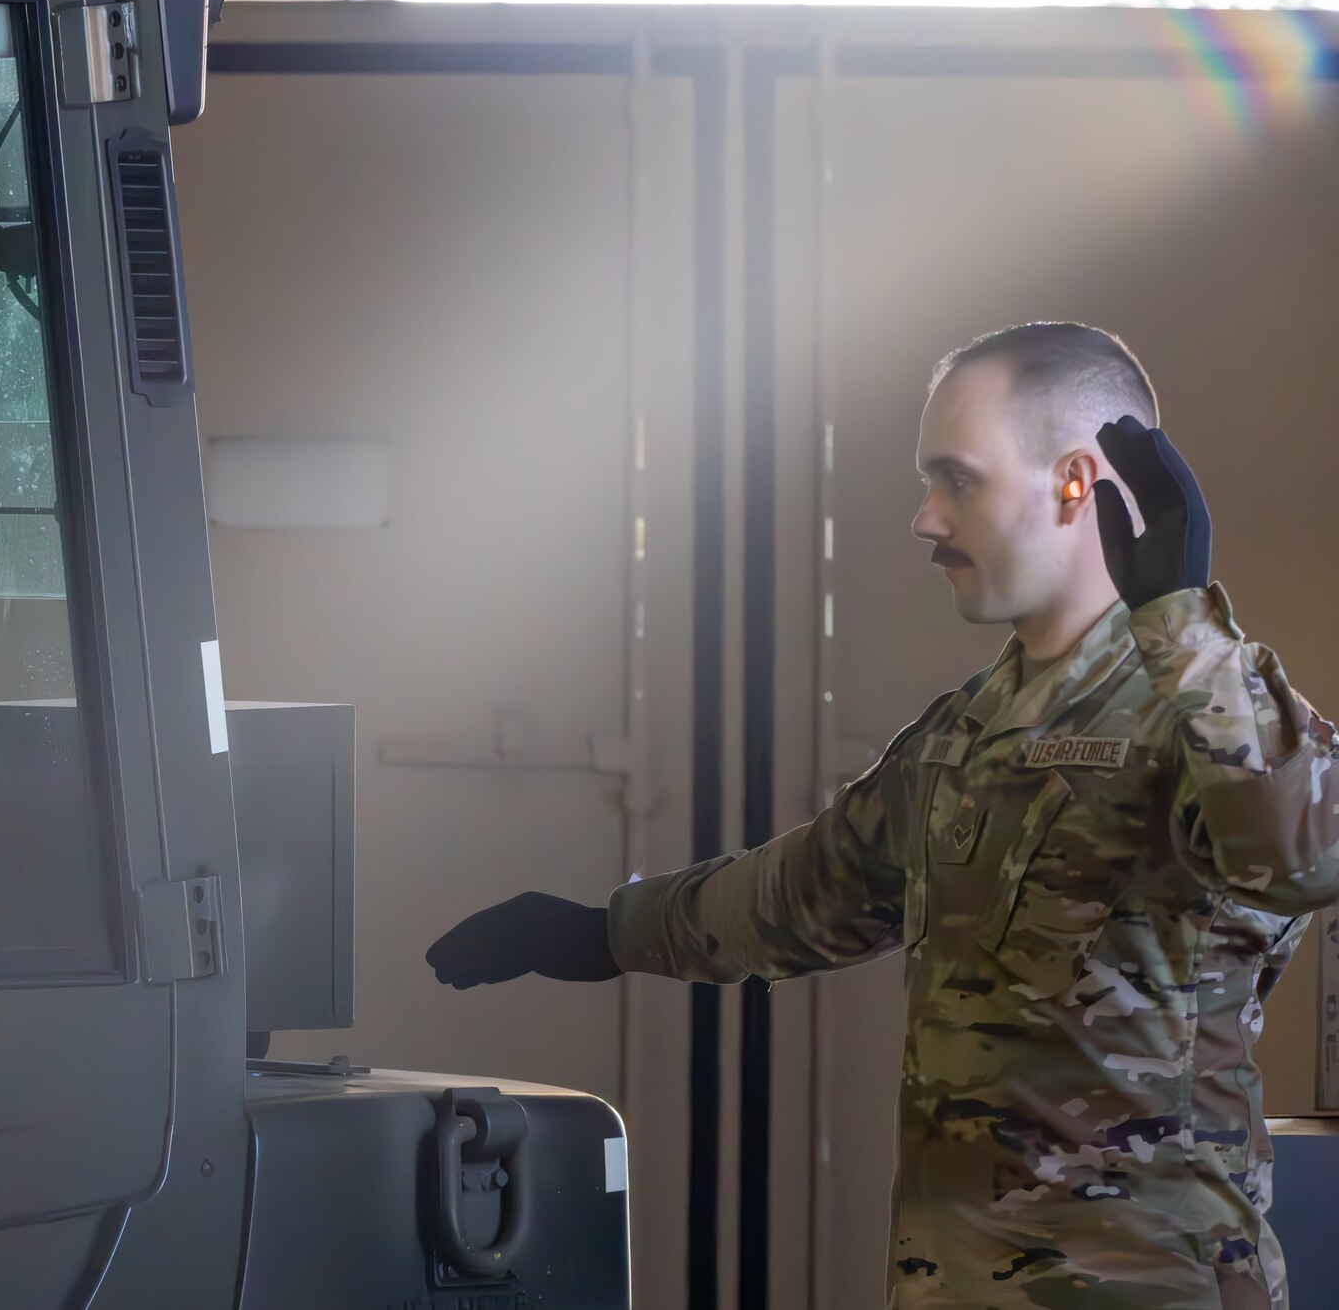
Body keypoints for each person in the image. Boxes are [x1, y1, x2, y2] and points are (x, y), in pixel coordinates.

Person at [428, 322, 1338, 1309]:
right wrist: (601, 929)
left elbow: (1301, 853)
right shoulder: (964, 732)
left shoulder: (1205, 710)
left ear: (1074, 483)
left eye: (956, 478)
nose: (922, 517)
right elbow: (801, 893)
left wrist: (1179, 623)